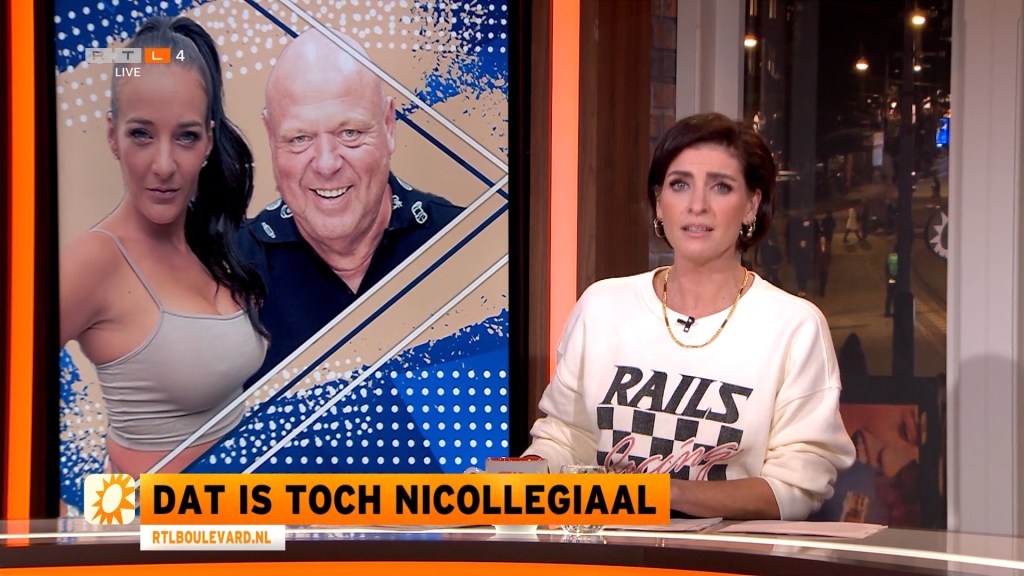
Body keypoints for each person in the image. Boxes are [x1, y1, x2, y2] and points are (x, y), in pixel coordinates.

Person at [523, 113, 855, 520]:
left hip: (728, 553)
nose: (697, 206)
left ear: (751, 205)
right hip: (607, 547)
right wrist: (512, 484)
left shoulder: (794, 327)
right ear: (659, 202)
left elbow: (796, 486)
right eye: (680, 185)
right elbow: (566, 437)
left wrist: (663, 493)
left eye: (721, 186)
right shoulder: (602, 306)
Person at [59, 17, 267, 478]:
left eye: (186, 136)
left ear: (208, 140)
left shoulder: (212, 244)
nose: (164, 165)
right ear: (113, 135)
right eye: (142, 134)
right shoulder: (91, 262)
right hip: (142, 517)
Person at [239, 30, 463, 385]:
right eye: (299, 138)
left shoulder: (465, 246)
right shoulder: (225, 272)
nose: (327, 164)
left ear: (388, 125)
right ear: (271, 137)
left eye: (350, 133)